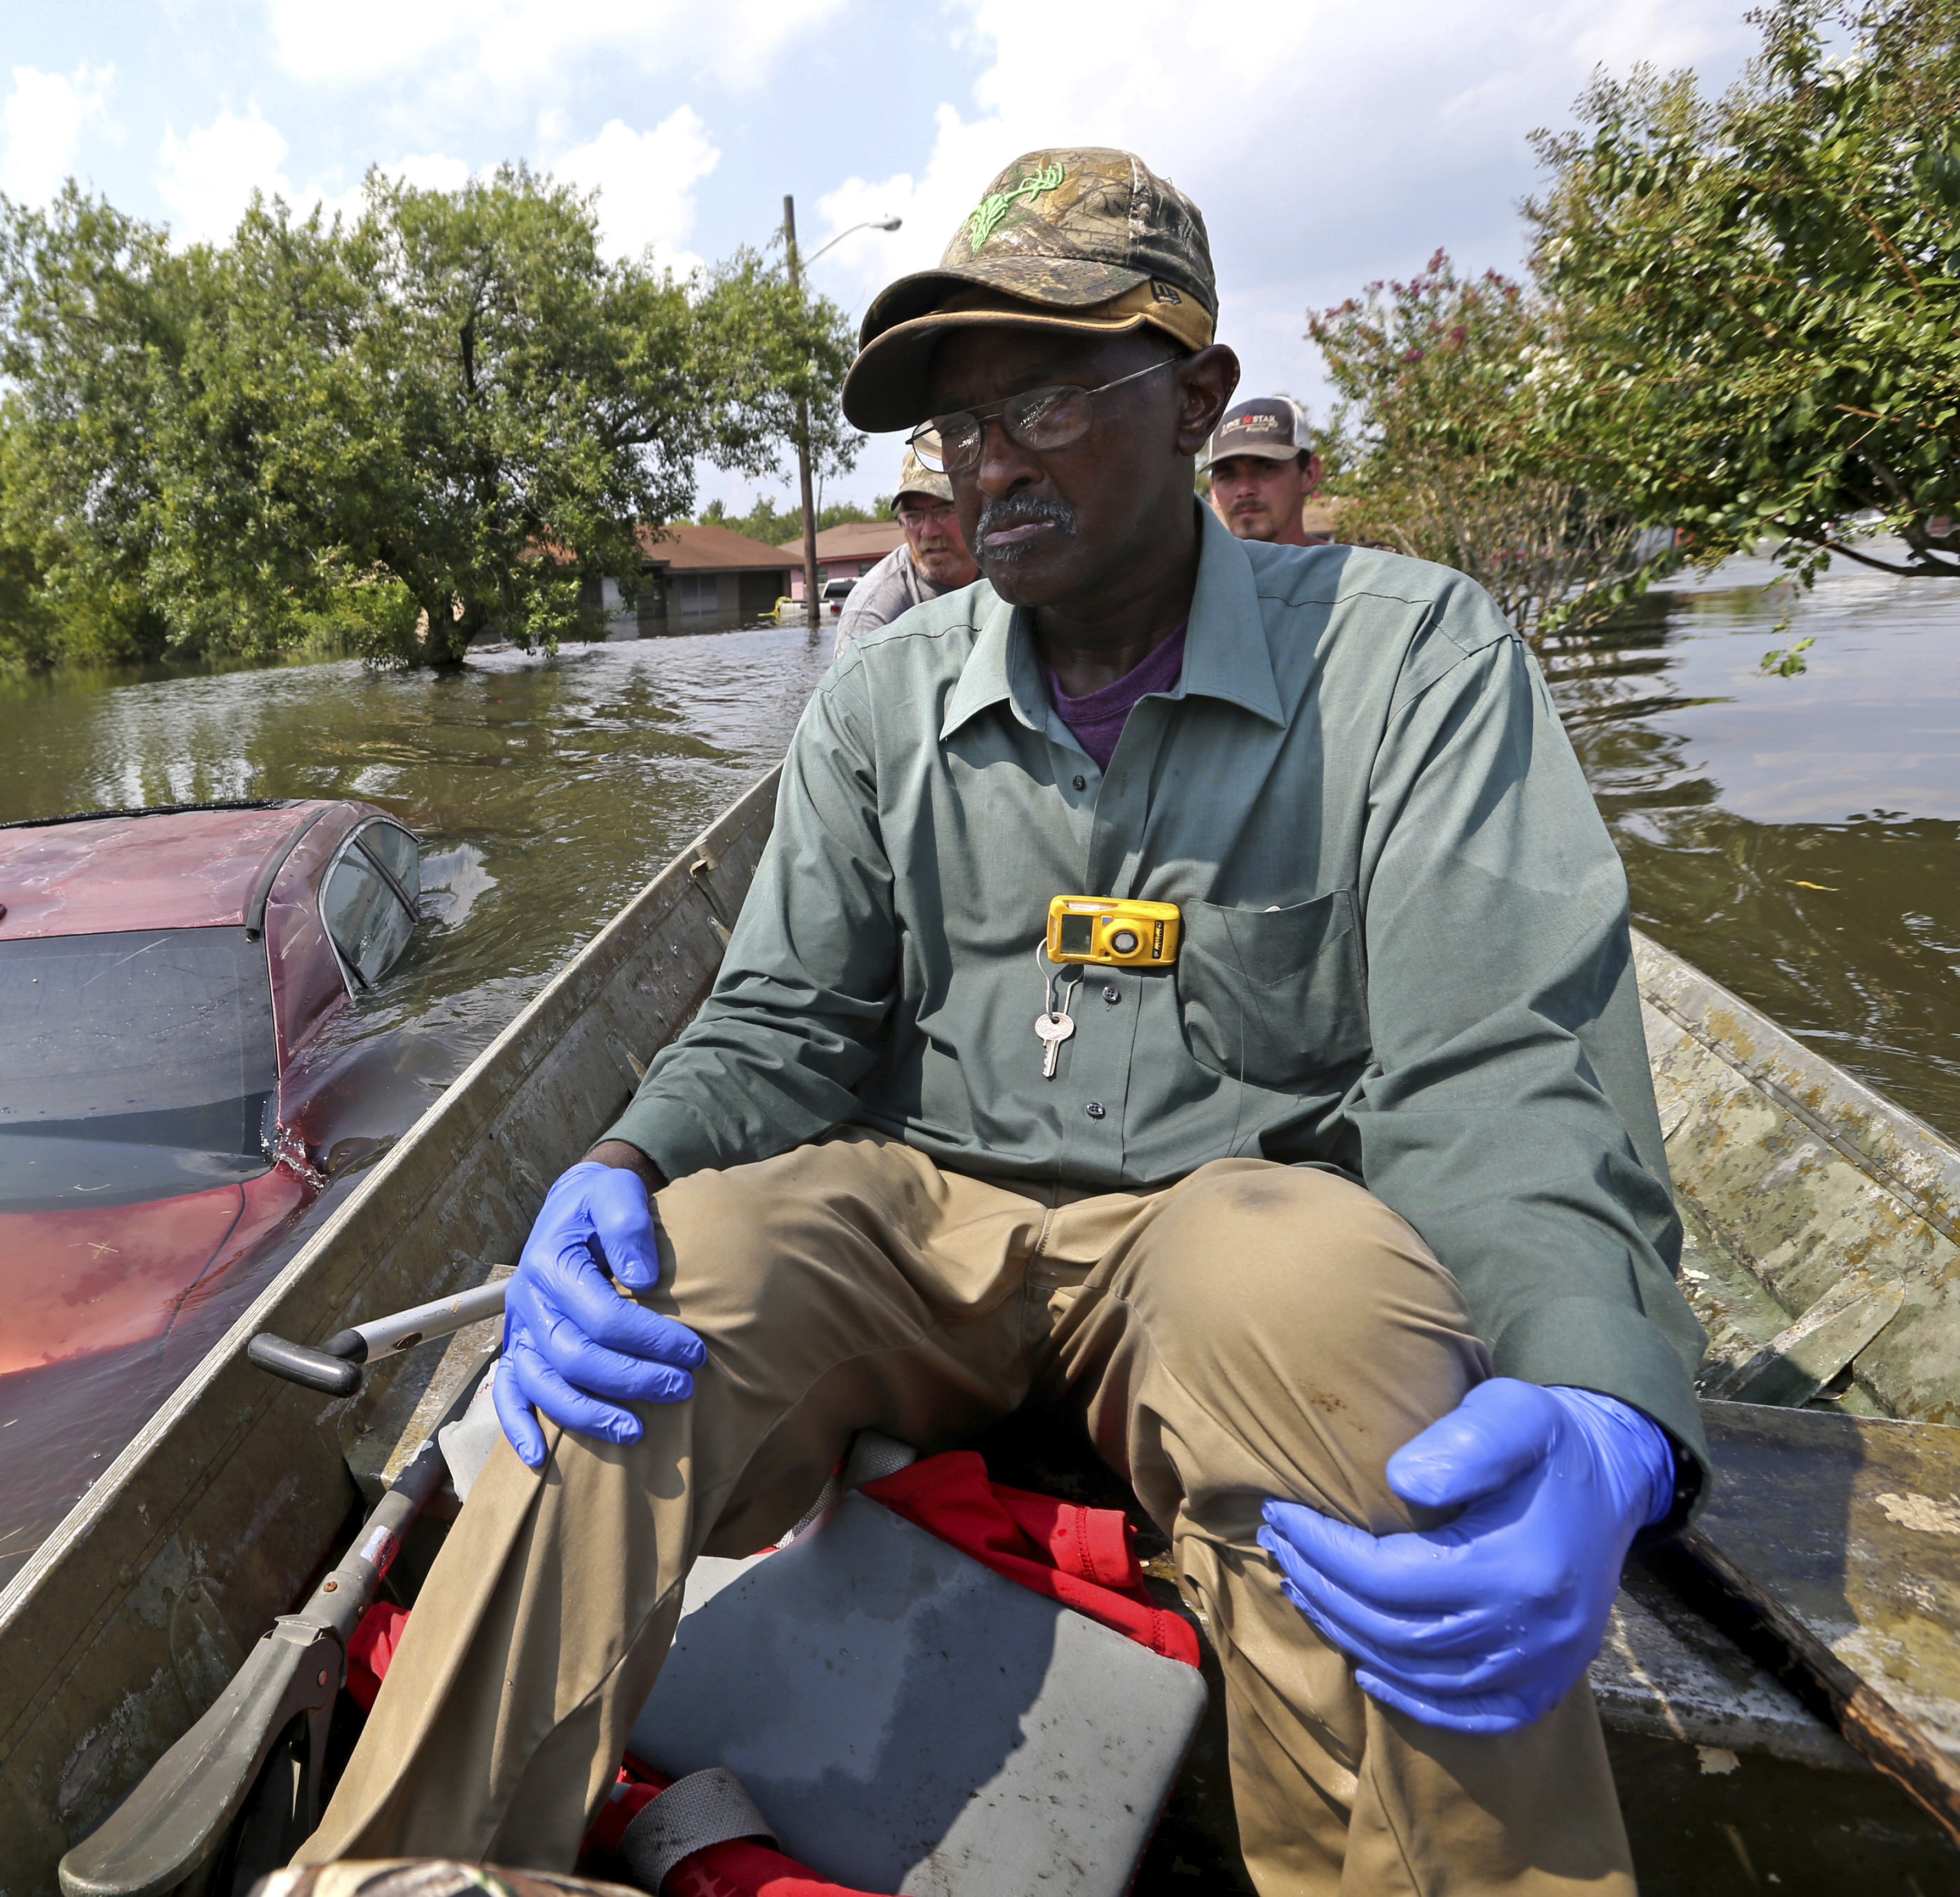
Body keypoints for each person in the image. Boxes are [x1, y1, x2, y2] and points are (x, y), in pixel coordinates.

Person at [302, 147, 1703, 1896]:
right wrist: (626, 1154)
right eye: (963, 424)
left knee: (1324, 1307)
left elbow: (1504, 1064)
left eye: (1047, 391)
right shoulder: (886, 694)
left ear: (1196, 398)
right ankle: (382, 1868)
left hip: (1231, 1223)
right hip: (930, 1213)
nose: (991, 457)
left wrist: (1597, 1399)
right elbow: (788, 1018)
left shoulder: (1409, 661)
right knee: (650, 1308)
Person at [831, 443, 979, 658]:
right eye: (913, 516)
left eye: (946, 511)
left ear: (976, 508)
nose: (929, 532)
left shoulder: (1008, 575)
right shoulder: (873, 614)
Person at [1206, 395, 1328, 545]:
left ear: (1310, 475)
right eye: (1228, 476)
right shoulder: (1200, 568)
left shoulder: (1351, 567)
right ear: (1214, 493)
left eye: (1265, 469)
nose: (1244, 490)